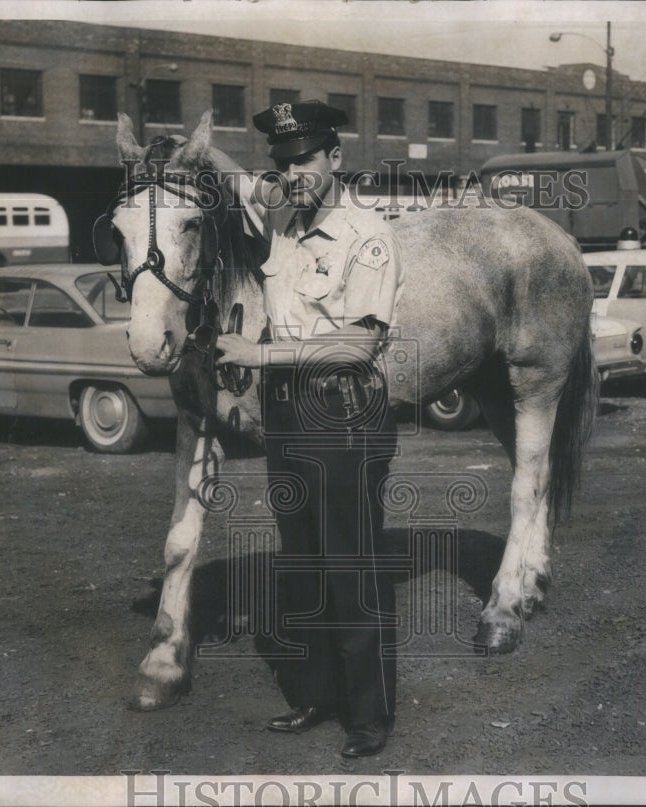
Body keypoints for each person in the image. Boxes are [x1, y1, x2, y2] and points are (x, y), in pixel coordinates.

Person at [214, 100, 403, 758]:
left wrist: (258, 356)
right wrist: (252, 357)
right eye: (283, 162)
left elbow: (356, 346)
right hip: (288, 409)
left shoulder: (367, 234)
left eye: (305, 159)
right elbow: (286, 319)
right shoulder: (287, 229)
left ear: (335, 158)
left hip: (342, 410)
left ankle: (369, 713)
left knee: (352, 564)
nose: (292, 173)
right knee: (302, 562)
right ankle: (319, 693)